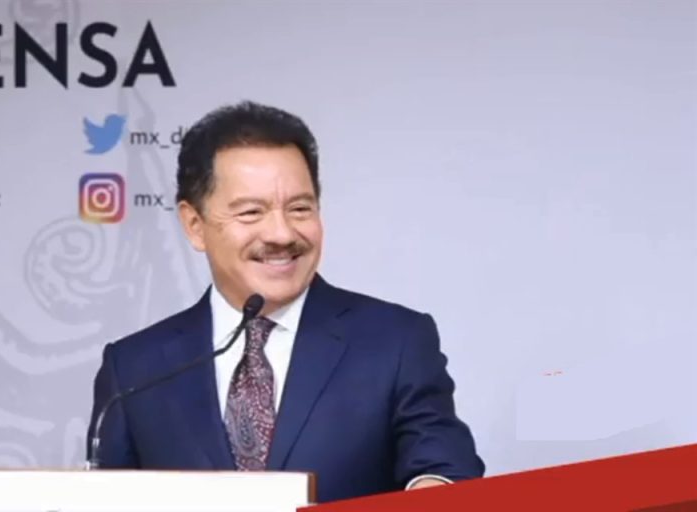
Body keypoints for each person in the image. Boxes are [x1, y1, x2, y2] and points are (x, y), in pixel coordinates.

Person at [87, 101, 484, 502]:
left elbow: (446, 468)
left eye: (299, 209)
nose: (281, 233)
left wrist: (436, 493)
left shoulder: (395, 341)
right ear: (195, 225)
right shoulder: (135, 369)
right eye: (251, 212)